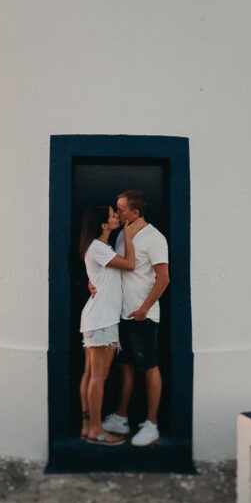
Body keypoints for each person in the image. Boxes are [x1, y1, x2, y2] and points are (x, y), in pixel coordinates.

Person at [102, 189, 170, 447]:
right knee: (125, 367)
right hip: (122, 314)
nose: (117, 212)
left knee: (150, 368)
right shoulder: (122, 235)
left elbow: (163, 279)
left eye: (120, 209)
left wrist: (143, 309)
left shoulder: (154, 238)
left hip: (143, 316)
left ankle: (151, 424)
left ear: (135, 212)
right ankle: (121, 417)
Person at [78, 205, 143, 445]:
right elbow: (129, 265)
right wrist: (127, 234)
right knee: (99, 377)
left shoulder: (100, 248)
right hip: (102, 320)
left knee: (90, 374)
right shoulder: (98, 247)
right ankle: (96, 430)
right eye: (113, 215)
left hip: (98, 318)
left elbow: (102, 278)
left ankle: (87, 426)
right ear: (104, 224)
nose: (117, 216)